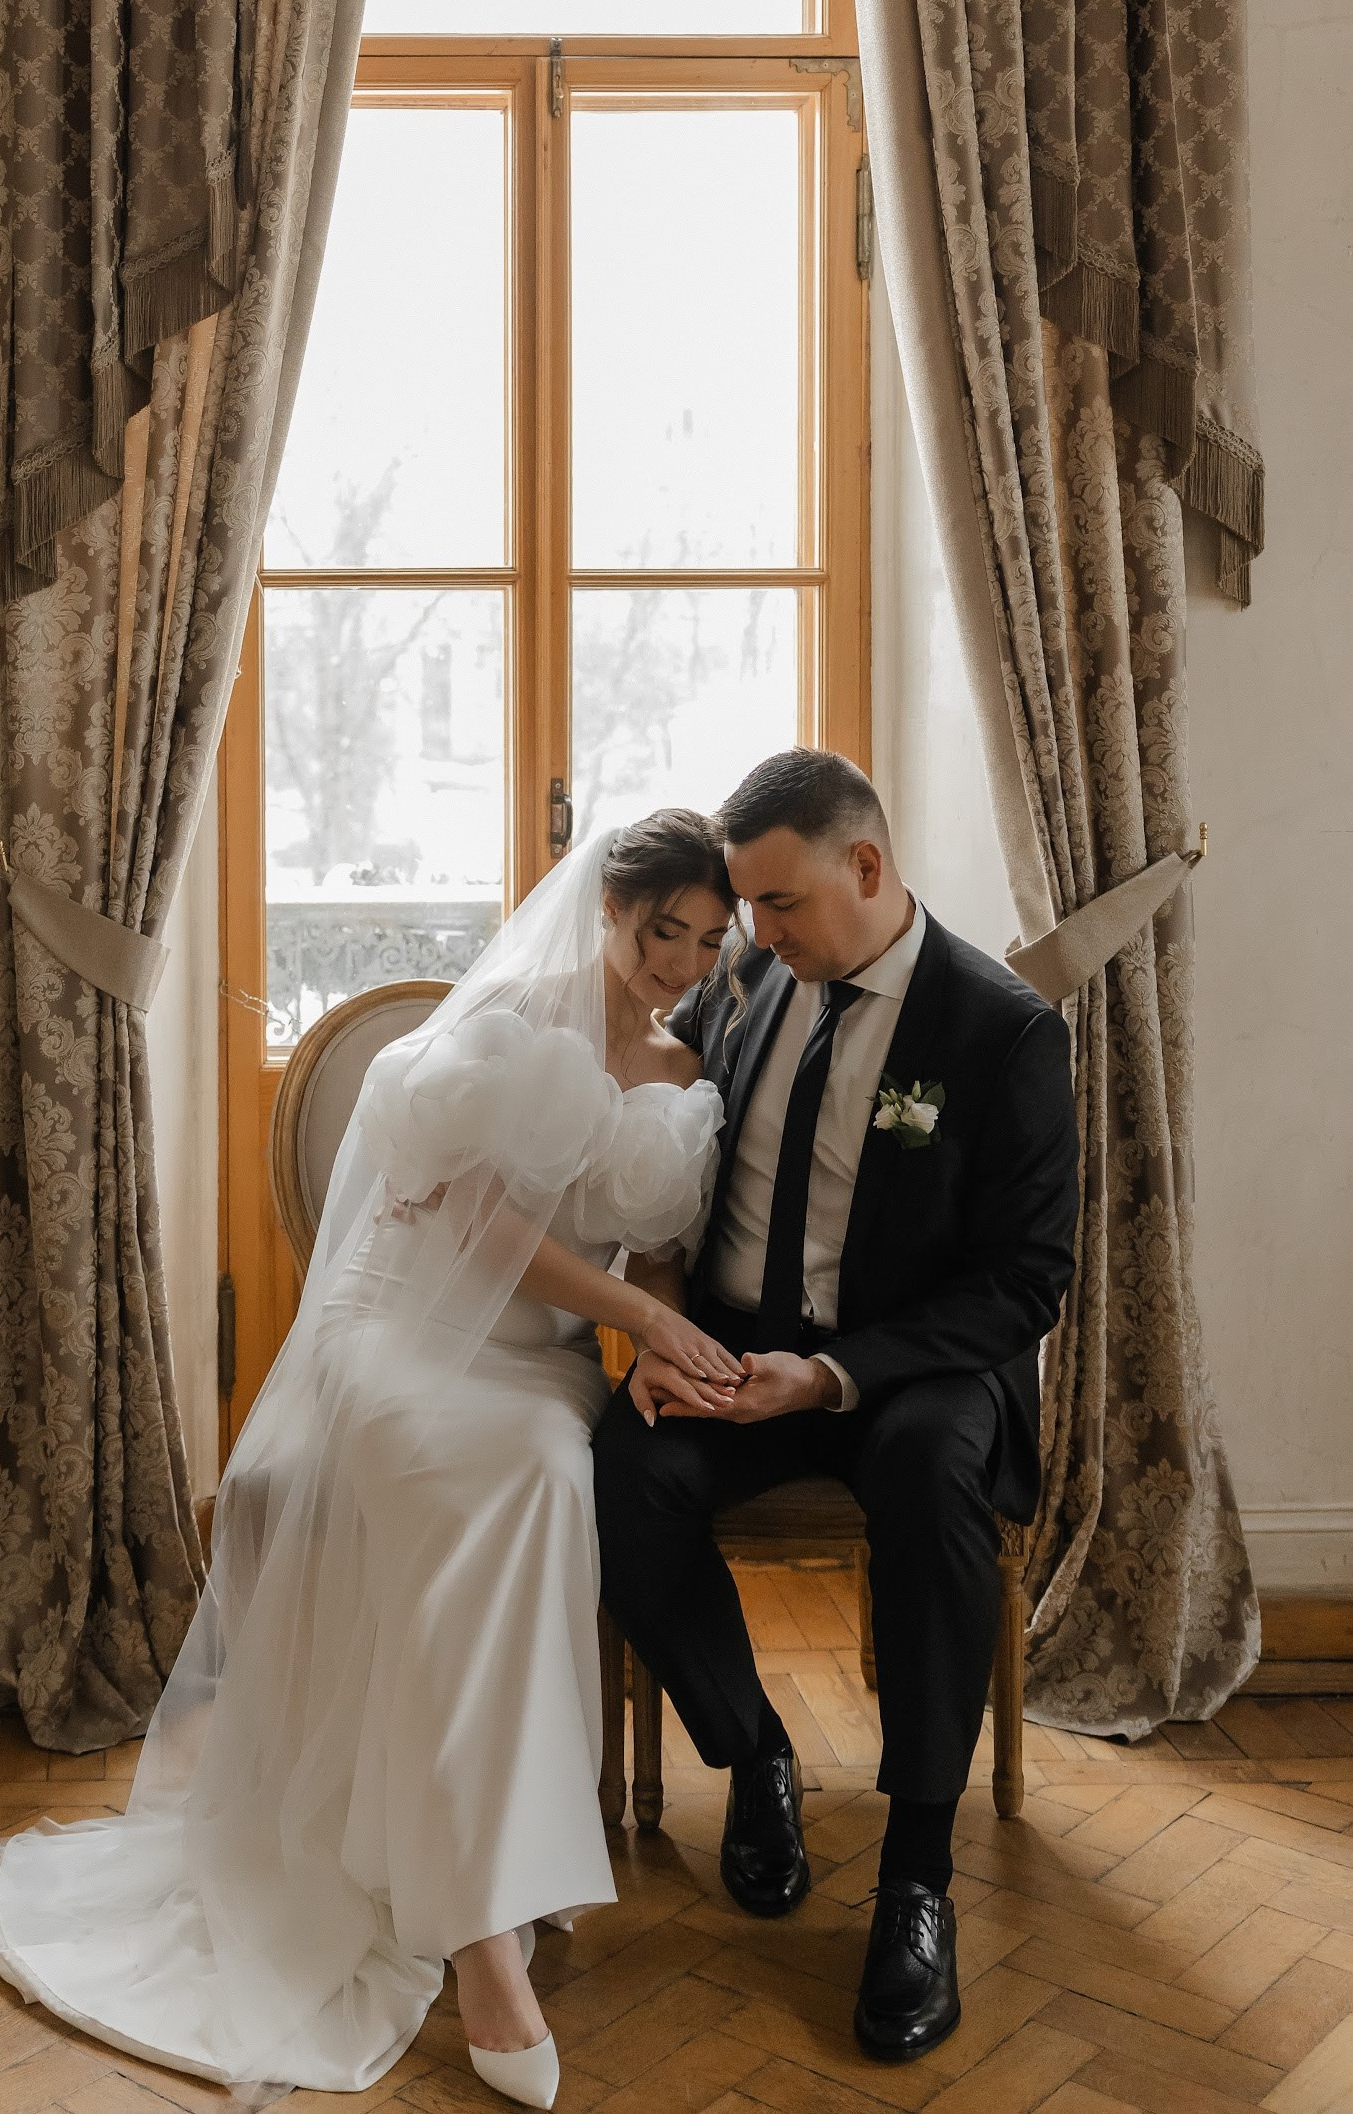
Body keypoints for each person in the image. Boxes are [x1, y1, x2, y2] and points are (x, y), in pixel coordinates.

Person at [0, 813, 740, 2111]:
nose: (683, 964)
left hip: (541, 1368)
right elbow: (480, 1229)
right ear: (608, 907)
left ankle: (492, 1863)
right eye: (665, 930)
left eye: (711, 943)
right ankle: (484, 1939)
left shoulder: (683, 1067)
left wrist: (652, 1351)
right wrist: (646, 1322)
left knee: (546, 1485)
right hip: (404, 1335)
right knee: (461, 1494)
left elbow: (658, 1249)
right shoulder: (508, 1028)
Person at [594, 749, 1079, 2064]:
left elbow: (1025, 1282)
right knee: (623, 1468)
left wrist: (835, 1373)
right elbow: (673, 1182)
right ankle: (756, 1755)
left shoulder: (1002, 1030)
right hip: (742, 1349)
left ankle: (917, 1879)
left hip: (915, 1371)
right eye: (745, 905)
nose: (752, 934)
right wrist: (663, 1335)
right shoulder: (753, 982)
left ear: (866, 866)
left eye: (780, 901)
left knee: (931, 1478)